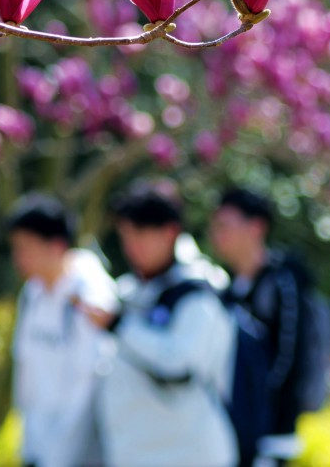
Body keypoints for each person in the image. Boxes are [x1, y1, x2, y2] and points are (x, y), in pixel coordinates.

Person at [80, 184, 238, 467]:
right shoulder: (128, 292)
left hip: (189, 454)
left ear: (170, 232)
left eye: (140, 235)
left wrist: (118, 325)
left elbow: (178, 365)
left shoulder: (197, 296)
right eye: (125, 236)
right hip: (136, 453)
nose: (131, 247)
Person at [6, 194, 118, 467]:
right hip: (38, 446)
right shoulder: (32, 292)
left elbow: (88, 384)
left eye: (25, 248)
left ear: (56, 246)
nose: (18, 258)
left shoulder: (91, 293)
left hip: (80, 454)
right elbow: (26, 373)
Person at [208, 188, 306, 467]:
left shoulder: (284, 283)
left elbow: (288, 361)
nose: (217, 234)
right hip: (233, 432)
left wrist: (265, 423)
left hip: (271, 437)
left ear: (256, 227)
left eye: (225, 225)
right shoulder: (227, 288)